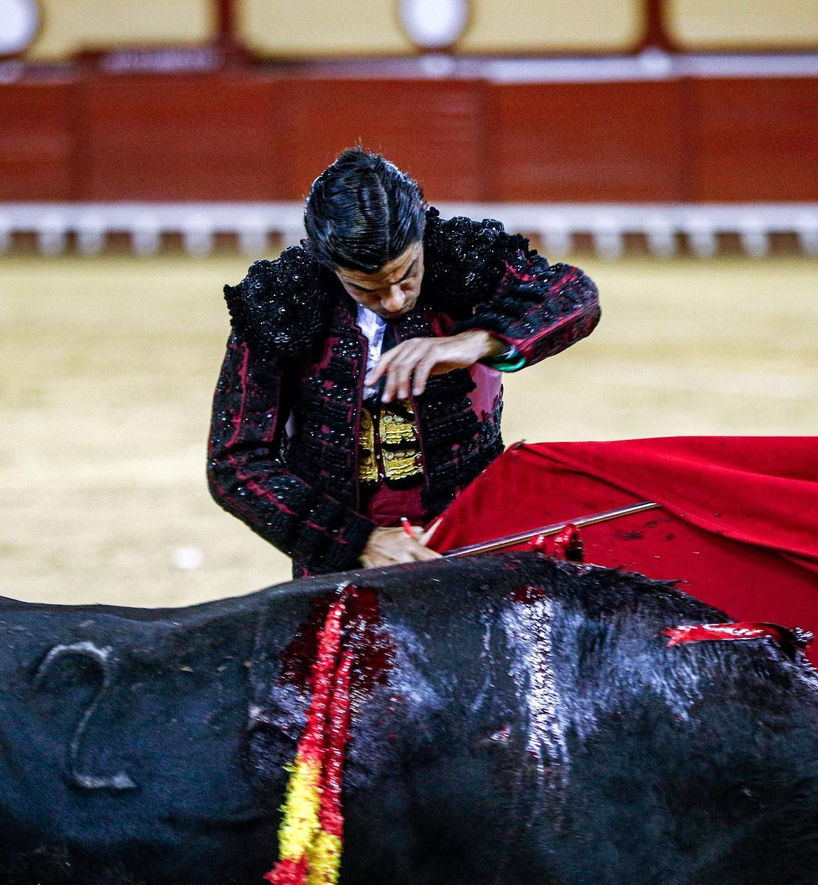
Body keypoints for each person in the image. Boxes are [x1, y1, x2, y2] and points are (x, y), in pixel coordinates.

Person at [208, 148, 600, 577]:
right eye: (366, 288)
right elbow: (236, 463)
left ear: (422, 237)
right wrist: (356, 541)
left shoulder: (460, 257)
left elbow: (574, 296)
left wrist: (476, 341)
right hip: (340, 558)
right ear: (330, 265)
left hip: (470, 528)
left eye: (407, 273)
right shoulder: (284, 299)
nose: (394, 300)